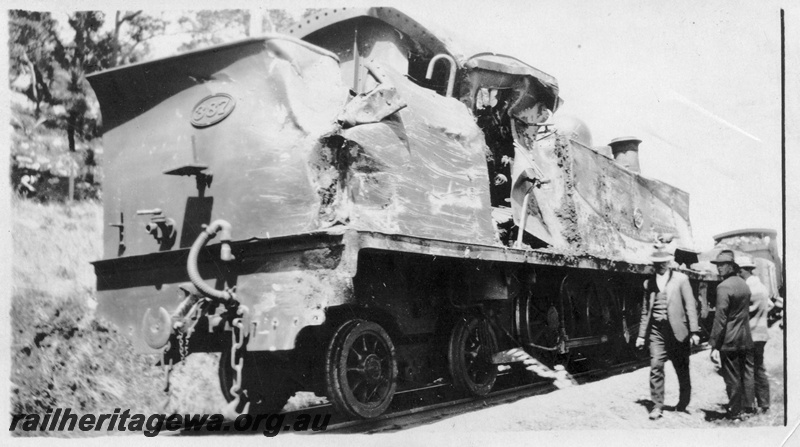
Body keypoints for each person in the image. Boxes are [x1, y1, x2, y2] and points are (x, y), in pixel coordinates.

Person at [636, 246, 701, 420]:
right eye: (657, 263)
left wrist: (694, 331)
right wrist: (641, 335)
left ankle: (683, 402)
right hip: (657, 332)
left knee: (682, 368)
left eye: (663, 262)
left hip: (678, 332)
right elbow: (645, 311)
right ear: (653, 264)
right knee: (656, 366)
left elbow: (690, 306)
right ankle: (657, 405)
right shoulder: (648, 283)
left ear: (669, 261)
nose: (660, 265)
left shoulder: (681, 279)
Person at [709, 250, 755, 420]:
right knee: (747, 373)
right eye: (717, 265)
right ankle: (749, 407)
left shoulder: (723, 287)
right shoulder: (744, 284)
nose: (718, 268)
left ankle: (735, 412)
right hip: (746, 337)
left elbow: (720, 317)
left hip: (729, 340)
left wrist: (714, 344)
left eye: (722, 265)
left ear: (731, 266)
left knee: (732, 376)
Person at [737, 255, 773, 413]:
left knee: (747, 370)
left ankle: (748, 406)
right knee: (759, 368)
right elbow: (771, 305)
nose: (737, 273)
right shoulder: (762, 287)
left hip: (750, 334)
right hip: (762, 334)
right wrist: (760, 315)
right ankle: (764, 404)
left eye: (739, 270)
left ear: (744, 270)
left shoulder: (747, 288)